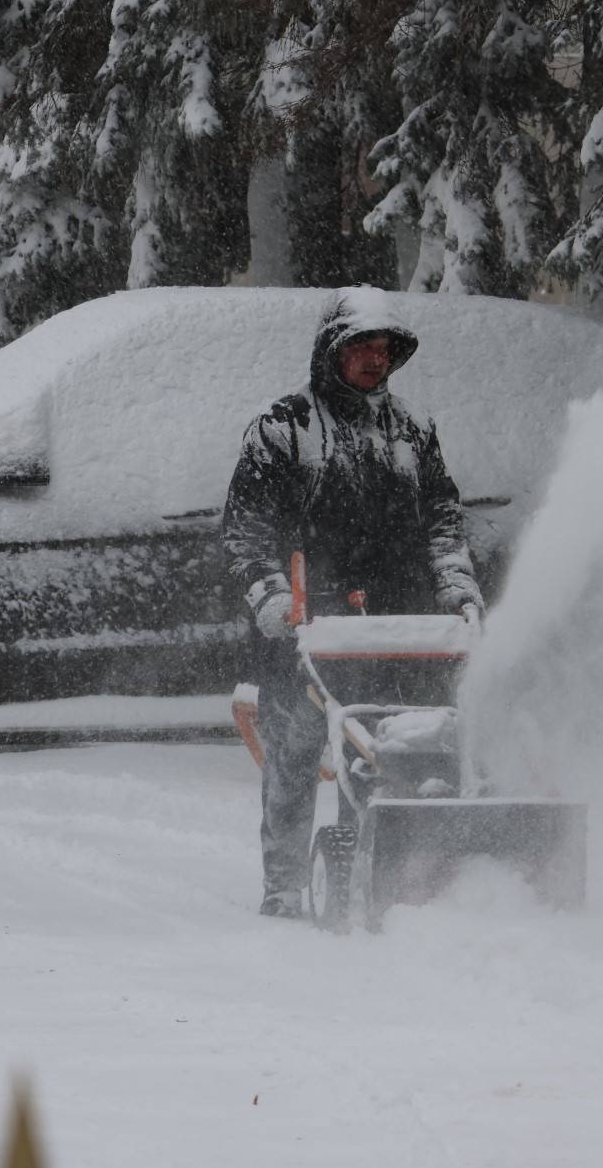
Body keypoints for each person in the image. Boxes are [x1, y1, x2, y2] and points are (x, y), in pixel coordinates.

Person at [222, 286, 485, 917]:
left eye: (384, 349)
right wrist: (272, 596)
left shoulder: (412, 432)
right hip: (305, 627)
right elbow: (246, 530)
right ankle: (285, 889)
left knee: (382, 755)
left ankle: (371, 879)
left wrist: (456, 588)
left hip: (395, 627)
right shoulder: (284, 429)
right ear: (331, 352)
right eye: (361, 348)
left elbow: (442, 522)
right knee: (294, 756)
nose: (374, 360)